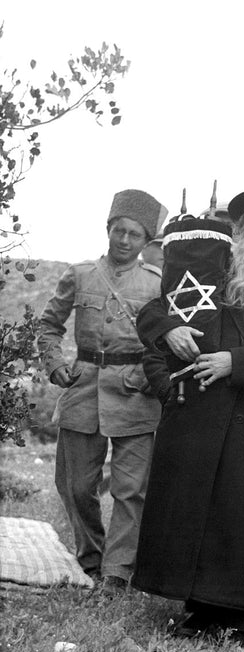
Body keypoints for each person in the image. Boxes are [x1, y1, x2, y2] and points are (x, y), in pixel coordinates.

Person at [132, 184, 244, 642]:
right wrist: (170, 329)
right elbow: (154, 310)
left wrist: (237, 362)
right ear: (238, 230)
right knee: (199, 513)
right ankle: (198, 608)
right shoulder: (210, 271)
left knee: (243, 519)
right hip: (199, 420)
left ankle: (241, 616)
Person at [38, 189, 168, 591]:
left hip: (135, 392)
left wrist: (150, 374)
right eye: (119, 231)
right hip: (83, 387)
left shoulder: (156, 283)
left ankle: (117, 573)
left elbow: (168, 337)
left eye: (134, 235)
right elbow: (48, 325)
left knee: (131, 490)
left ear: (147, 242)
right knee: (75, 486)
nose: (125, 241)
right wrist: (56, 364)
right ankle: (91, 557)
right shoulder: (78, 275)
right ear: (108, 229)